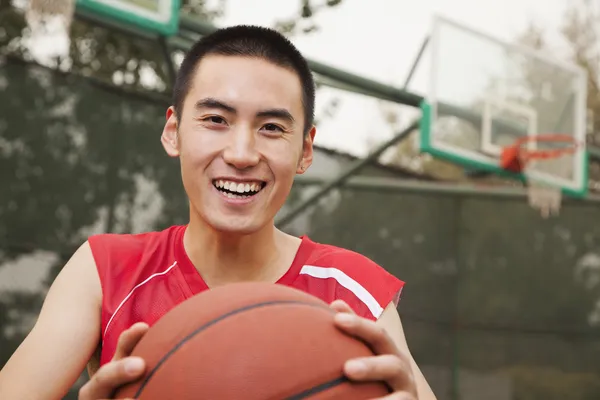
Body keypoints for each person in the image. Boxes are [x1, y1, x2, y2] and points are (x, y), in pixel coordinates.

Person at [0, 25, 437, 400]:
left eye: (271, 128)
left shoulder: (352, 289)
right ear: (174, 133)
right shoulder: (106, 270)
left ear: (305, 151)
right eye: (215, 119)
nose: (242, 153)